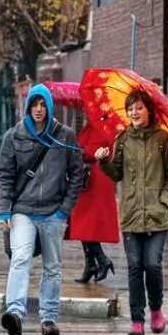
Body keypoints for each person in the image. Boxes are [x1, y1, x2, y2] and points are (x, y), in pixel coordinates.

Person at [0, 84, 85, 335]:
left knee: (53, 266)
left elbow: (76, 175)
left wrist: (64, 210)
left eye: (43, 104)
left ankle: (48, 317)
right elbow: (5, 176)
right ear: (28, 106)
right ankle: (15, 313)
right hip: (23, 210)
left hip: (53, 212)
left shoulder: (64, 136)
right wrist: (4, 210)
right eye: (34, 104)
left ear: (49, 106)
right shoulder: (14, 136)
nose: (38, 109)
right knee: (20, 258)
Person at [96, 91, 168, 335]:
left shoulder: (163, 140)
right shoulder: (122, 140)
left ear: (148, 110)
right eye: (130, 109)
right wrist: (104, 162)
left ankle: (156, 309)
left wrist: (164, 201)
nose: (134, 113)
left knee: (152, 265)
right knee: (135, 267)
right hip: (131, 214)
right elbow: (116, 174)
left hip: (157, 215)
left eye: (138, 108)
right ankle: (137, 320)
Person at [70, 122, 119, 285]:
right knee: (83, 226)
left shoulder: (102, 125)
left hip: (96, 180)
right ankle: (90, 265)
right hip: (87, 179)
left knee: (86, 225)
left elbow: (94, 151)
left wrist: (77, 151)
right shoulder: (90, 124)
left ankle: (102, 260)